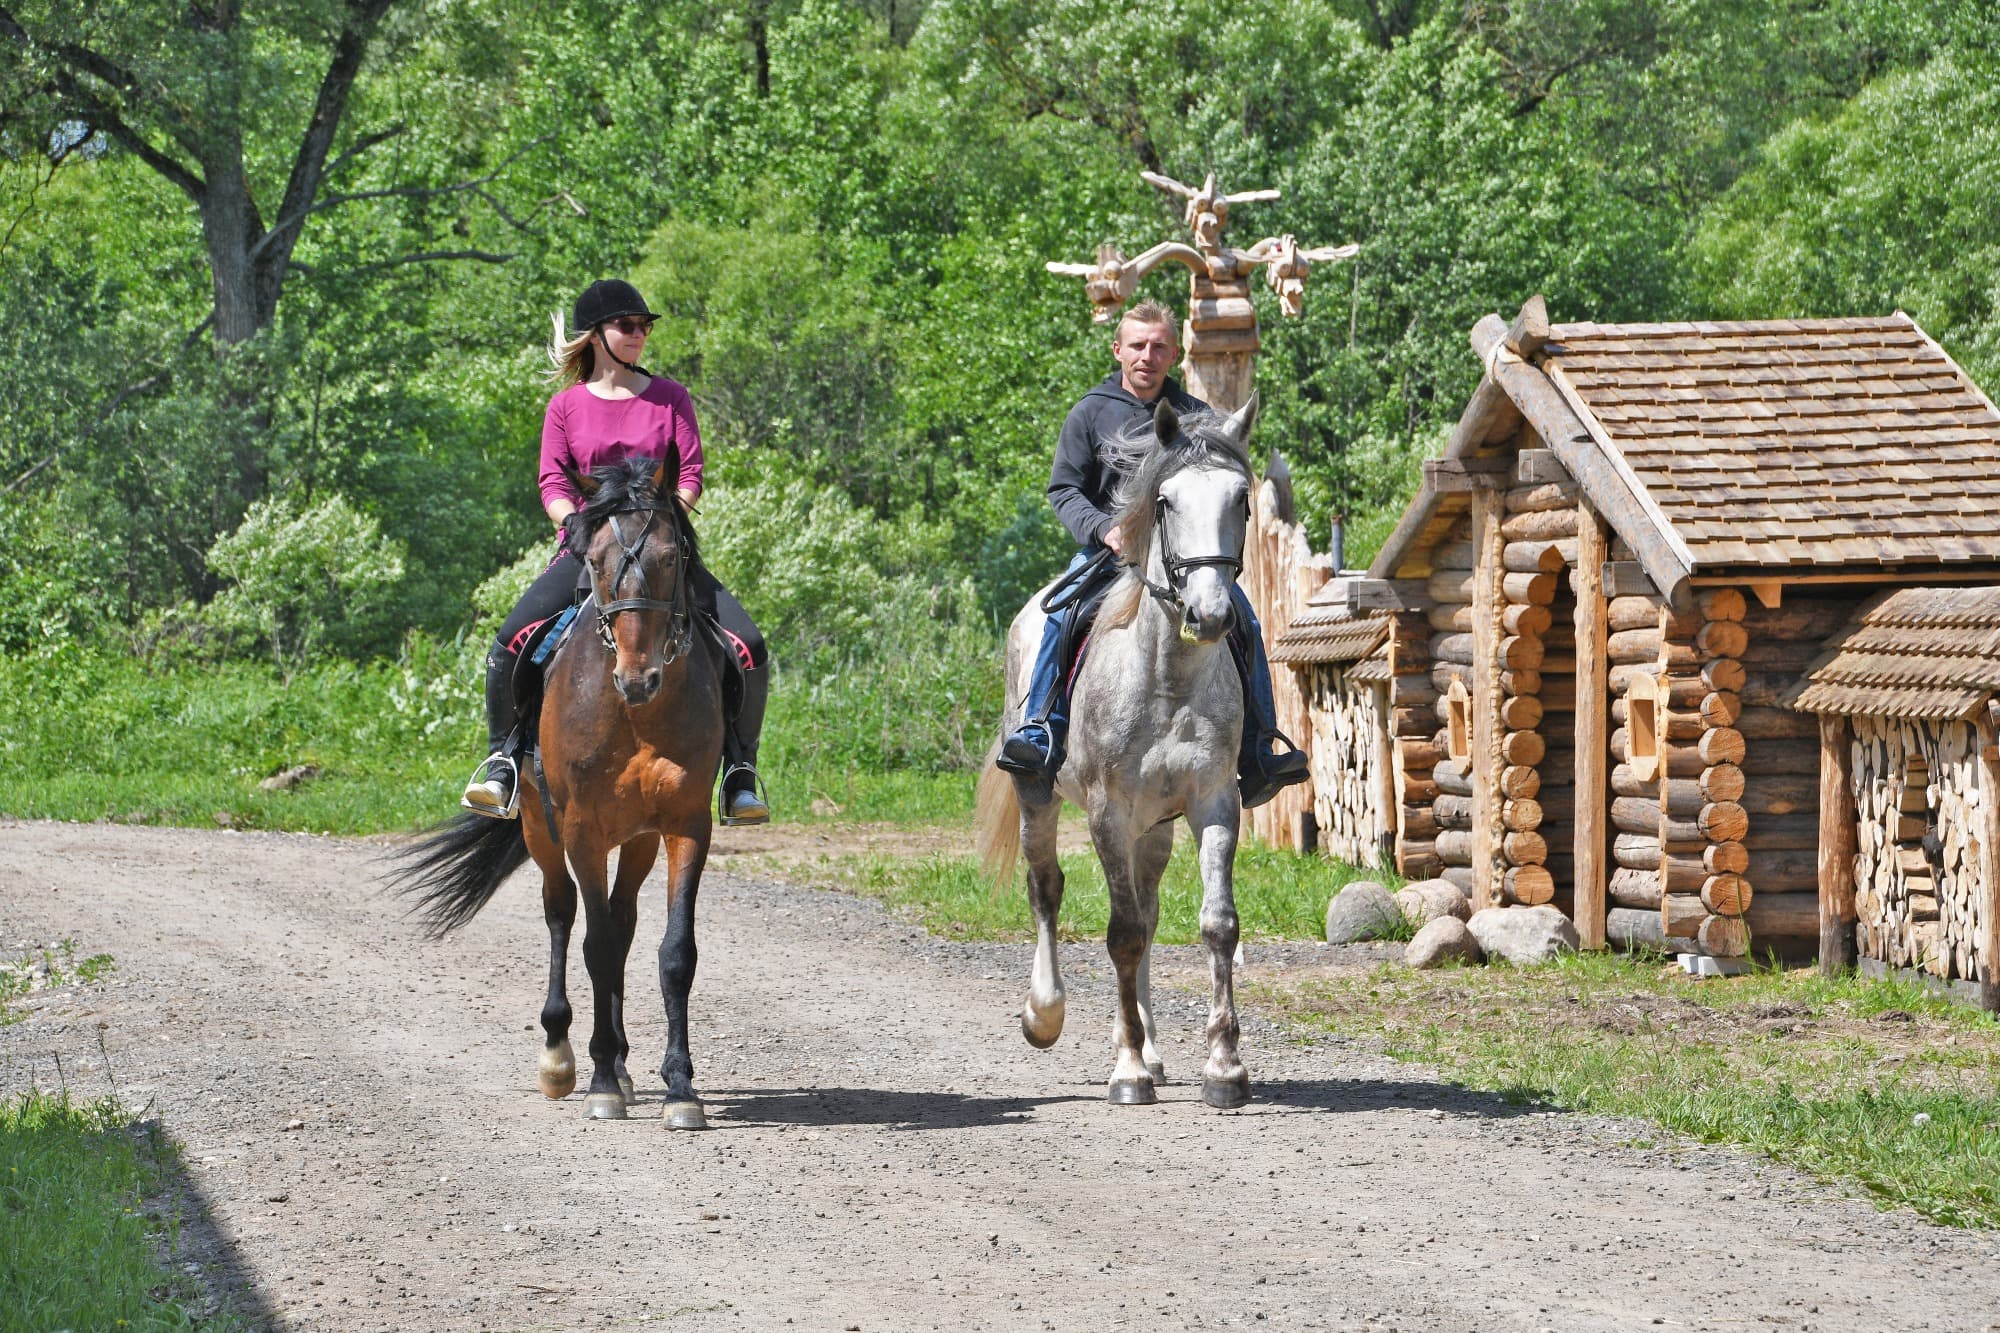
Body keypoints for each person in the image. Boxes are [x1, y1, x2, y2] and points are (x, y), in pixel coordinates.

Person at [462, 279, 771, 826]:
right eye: (628, 326)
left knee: (747, 645)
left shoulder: (670, 397)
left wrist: (666, 521)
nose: (639, 335)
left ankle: (740, 772)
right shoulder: (565, 407)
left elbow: (691, 472)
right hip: (588, 551)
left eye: (644, 327)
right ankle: (502, 760)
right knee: (510, 640)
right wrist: (578, 527)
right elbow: (553, 482)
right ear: (598, 336)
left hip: (660, 552)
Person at [996, 299, 1309, 808]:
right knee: (1058, 616)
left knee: (1245, 624)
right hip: (1109, 558)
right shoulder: (1090, 412)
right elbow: (1063, 490)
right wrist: (1104, 529)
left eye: (1159, 346)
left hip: (1185, 567)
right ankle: (1040, 733)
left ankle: (1259, 751)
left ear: (1175, 354)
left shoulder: (1197, 419)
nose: (1147, 355)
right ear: (1118, 349)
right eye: (1138, 345)